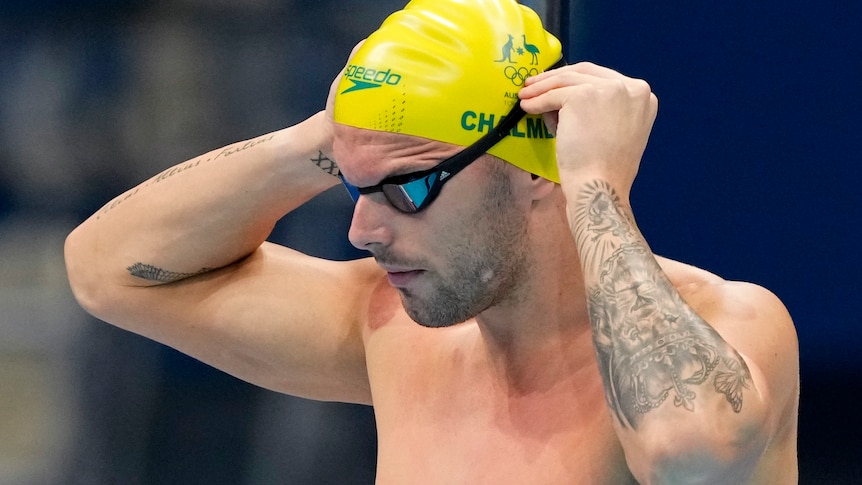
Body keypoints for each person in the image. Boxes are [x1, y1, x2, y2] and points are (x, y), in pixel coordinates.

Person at [64, 0, 799, 482]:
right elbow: (106, 272)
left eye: (409, 189)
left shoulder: (733, 323)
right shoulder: (389, 329)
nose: (363, 230)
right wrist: (329, 140)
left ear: (537, 164)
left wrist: (596, 184)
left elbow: (687, 450)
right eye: (357, 188)